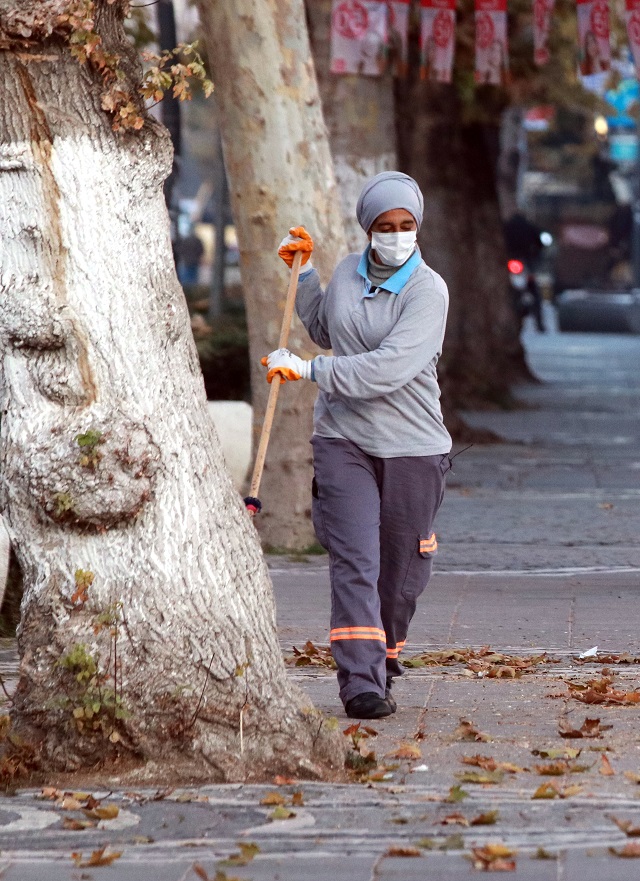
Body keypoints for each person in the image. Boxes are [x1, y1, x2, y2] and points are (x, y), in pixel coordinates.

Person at [264, 171, 452, 720]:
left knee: (400, 573)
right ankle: (360, 682)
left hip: (413, 445)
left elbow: (388, 368)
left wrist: (308, 371)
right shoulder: (349, 270)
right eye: (384, 226)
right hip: (343, 439)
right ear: (367, 227)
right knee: (355, 560)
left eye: (405, 225)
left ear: (417, 227)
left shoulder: (428, 290)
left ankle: (384, 655)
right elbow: (328, 329)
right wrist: (303, 277)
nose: (395, 235)